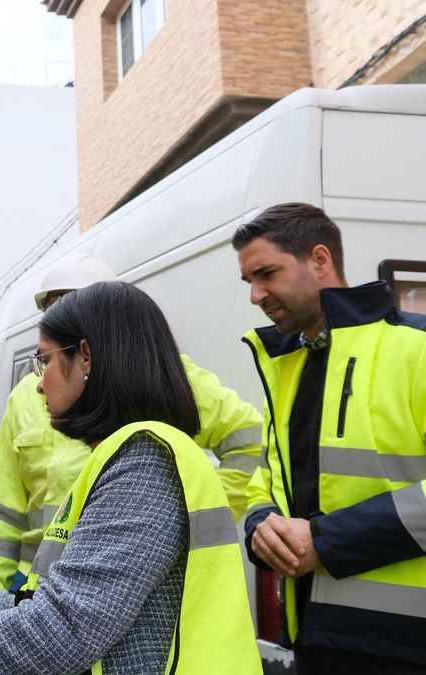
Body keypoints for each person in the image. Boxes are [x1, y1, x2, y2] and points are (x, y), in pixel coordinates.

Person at [0, 282, 261, 675]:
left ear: (86, 358)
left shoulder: (143, 466)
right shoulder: (125, 456)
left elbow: (62, 633)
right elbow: (71, 617)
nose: (38, 384)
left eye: (44, 361)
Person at [0, 255, 263, 592]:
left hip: (127, 580)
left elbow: (252, 441)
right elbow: (3, 513)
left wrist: (182, 524)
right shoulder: (27, 393)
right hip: (37, 580)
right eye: (54, 308)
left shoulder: (159, 375)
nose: (64, 317)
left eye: (78, 305)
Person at [233, 202, 426, 673]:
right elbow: (270, 477)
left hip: (408, 647)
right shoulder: (287, 365)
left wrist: (325, 539)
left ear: (320, 260)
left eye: (266, 274)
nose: (256, 295)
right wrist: (259, 523)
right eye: (249, 283)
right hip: (314, 640)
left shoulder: (416, 348)